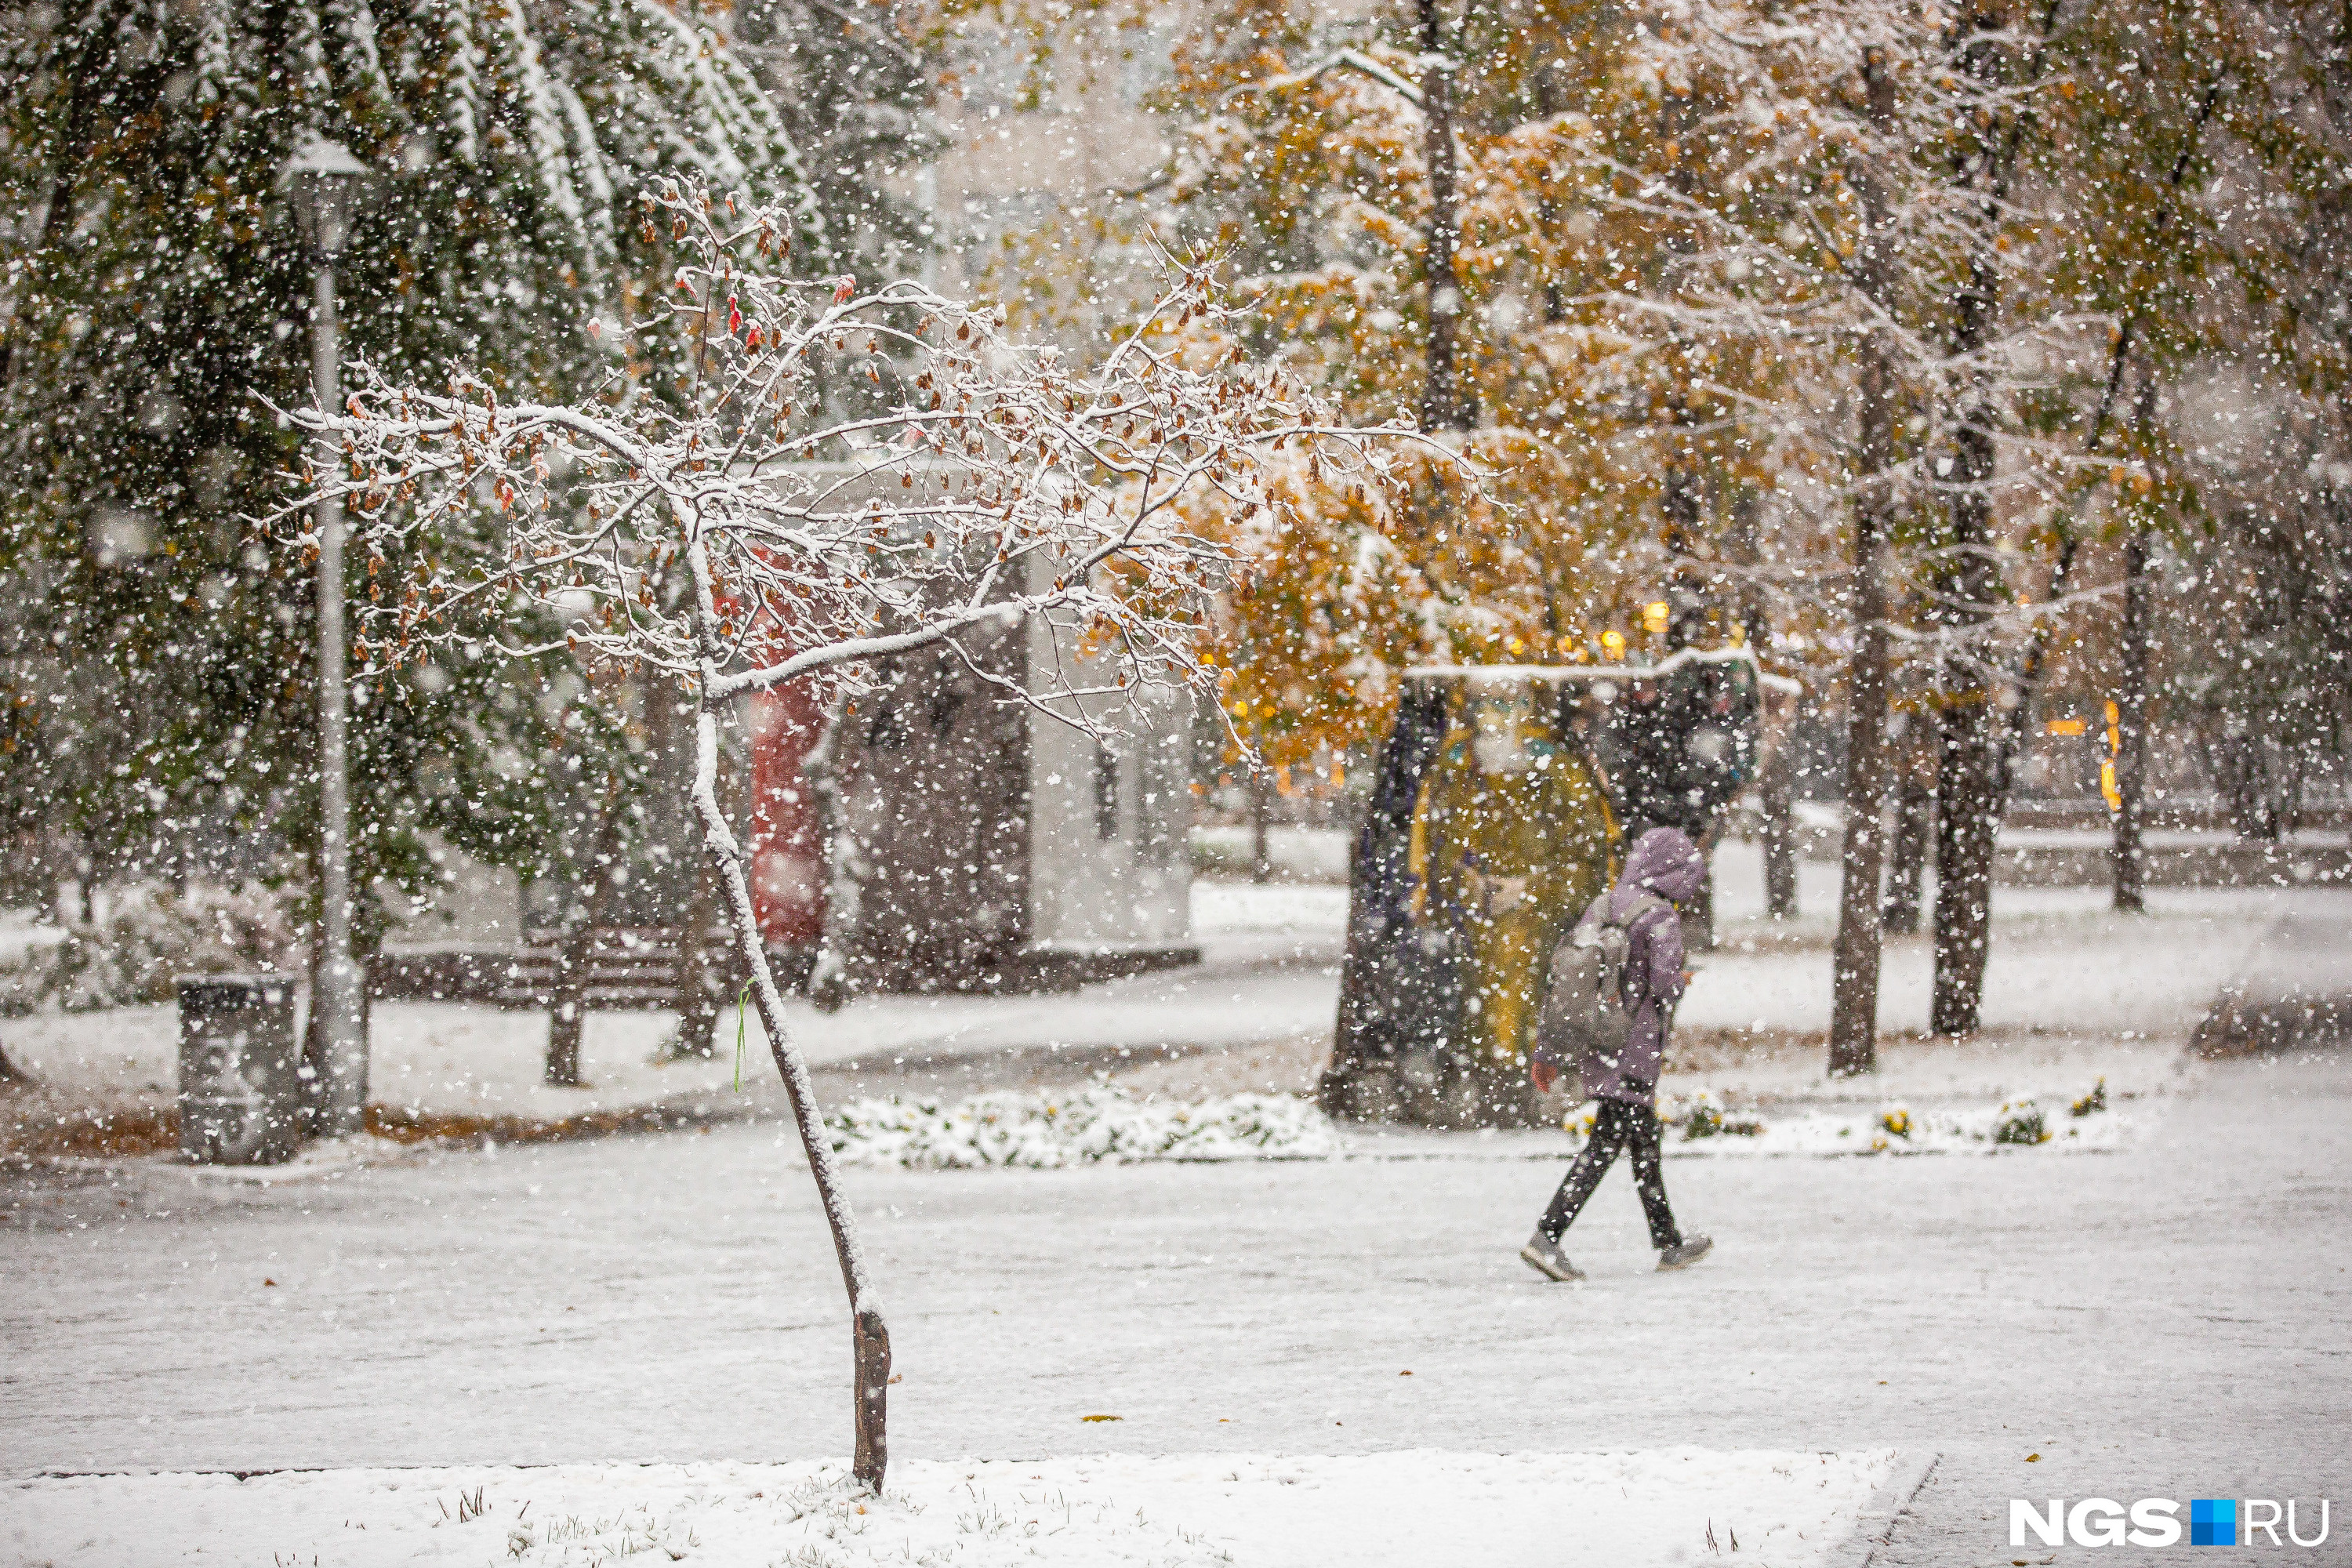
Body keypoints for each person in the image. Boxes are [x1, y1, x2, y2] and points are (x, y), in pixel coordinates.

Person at [1520, 826, 1714, 1280]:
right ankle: (1546, 1238)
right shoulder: (1662, 916)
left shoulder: (1602, 906)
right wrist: (1680, 981)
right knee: (1607, 1145)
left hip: (1600, 1042)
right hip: (1637, 1050)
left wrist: (1546, 1051)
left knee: (1642, 1141)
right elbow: (1665, 986)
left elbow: (1566, 983)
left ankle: (1669, 1243)